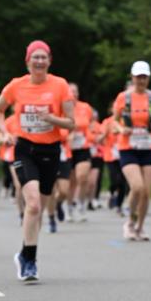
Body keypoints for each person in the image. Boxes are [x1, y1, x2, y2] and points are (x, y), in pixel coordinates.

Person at [0, 40, 74, 282]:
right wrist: (4, 131)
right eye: (35, 57)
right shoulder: (16, 86)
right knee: (34, 204)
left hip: (50, 150)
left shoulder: (60, 86)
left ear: (49, 61)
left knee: (37, 210)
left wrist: (51, 119)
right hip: (24, 148)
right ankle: (30, 260)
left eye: (43, 57)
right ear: (27, 61)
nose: (39, 61)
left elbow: (71, 122)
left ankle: (25, 250)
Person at [114, 61, 151, 241]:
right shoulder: (123, 97)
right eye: (138, 77)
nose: (141, 80)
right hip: (128, 147)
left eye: (144, 77)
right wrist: (121, 129)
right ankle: (129, 222)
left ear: (148, 78)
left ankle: (140, 227)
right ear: (132, 77)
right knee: (137, 187)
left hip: (147, 147)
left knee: (146, 192)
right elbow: (114, 121)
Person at [67, 83, 94, 222]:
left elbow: (92, 124)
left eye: (75, 92)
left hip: (83, 147)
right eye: (71, 92)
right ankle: (69, 207)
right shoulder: (62, 108)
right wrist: (67, 135)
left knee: (82, 177)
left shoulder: (85, 107)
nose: (74, 94)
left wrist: (91, 134)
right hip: (68, 148)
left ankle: (81, 204)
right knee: (71, 182)